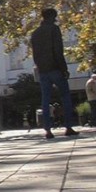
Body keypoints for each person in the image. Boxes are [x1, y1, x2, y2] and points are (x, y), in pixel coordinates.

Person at [31, 8, 79, 138]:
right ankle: (68, 126)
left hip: (43, 70)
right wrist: (64, 69)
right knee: (65, 96)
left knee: (45, 99)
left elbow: (35, 54)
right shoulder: (54, 29)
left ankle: (48, 130)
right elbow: (58, 50)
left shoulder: (35, 33)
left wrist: (40, 67)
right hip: (55, 68)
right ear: (52, 16)